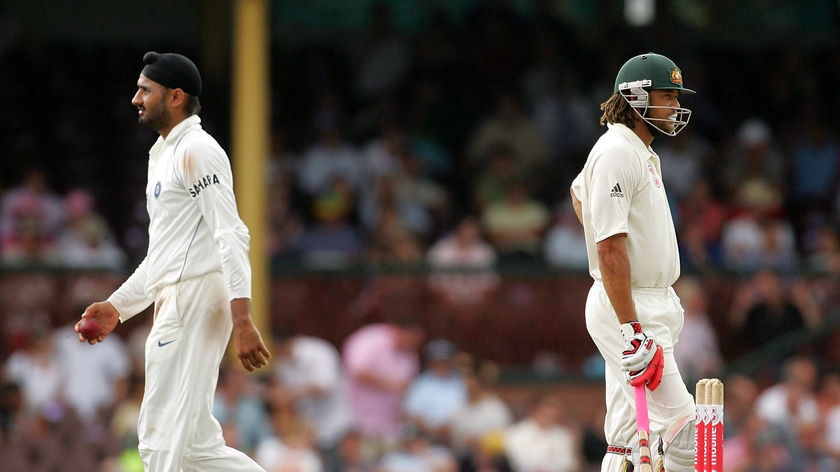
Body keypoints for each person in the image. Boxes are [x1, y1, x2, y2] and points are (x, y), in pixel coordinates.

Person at [74, 51, 271, 472]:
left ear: (176, 96)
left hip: (195, 297)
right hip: (180, 297)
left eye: (146, 90)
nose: (135, 99)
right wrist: (118, 307)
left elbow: (231, 232)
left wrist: (243, 317)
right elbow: (163, 255)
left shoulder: (198, 149)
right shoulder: (162, 154)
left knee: (161, 435)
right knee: (198, 448)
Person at [569, 52, 697, 471]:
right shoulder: (617, 151)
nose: (676, 107)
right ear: (636, 97)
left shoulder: (637, 150)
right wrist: (630, 328)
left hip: (649, 301)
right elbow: (608, 248)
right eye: (667, 97)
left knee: (625, 444)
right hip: (630, 305)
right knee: (686, 432)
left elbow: (578, 193)